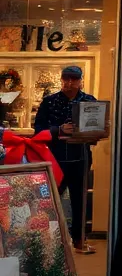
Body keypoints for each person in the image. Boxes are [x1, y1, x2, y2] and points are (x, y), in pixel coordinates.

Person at [32, 65, 98, 254]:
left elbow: (97, 129)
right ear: (61, 79)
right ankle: (48, 241)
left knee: (80, 201)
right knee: (50, 200)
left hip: (81, 158)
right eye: (65, 79)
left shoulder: (89, 101)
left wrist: (98, 132)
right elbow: (38, 130)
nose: (69, 83)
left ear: (80, 80)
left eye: (73, 79)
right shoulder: (49, 102)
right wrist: (58, 130)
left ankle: (79, 241)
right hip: (55, 158)